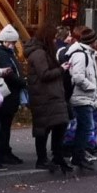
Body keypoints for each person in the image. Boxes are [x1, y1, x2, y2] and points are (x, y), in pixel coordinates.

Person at [25, 24, 72, 173]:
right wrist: (61, 69)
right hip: (44, 96)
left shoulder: (43, 52)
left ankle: (56, 155)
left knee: (60, 124)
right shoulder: (39, 54)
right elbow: (44, 74)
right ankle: (42, 158)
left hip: (51, 95)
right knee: (44, 128)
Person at [66, 26, 97, 170]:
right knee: (86, 127)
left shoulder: (89, 54)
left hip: (86, 96)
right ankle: (78, 156)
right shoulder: (81, 55)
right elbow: (78, 76)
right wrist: (91, 87)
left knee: (84, 127)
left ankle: (79, 155)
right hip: (82, 97)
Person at [0, 25, 26, 165]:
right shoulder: (2, 53)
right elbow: (9, 73)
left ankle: (4, 150)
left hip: (10, 93)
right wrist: (22, 82)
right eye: (11, 42)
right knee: (3, 125)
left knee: (5, 125)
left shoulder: (5, 52)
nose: (12, 45)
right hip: (7, 94)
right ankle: (2, 151)